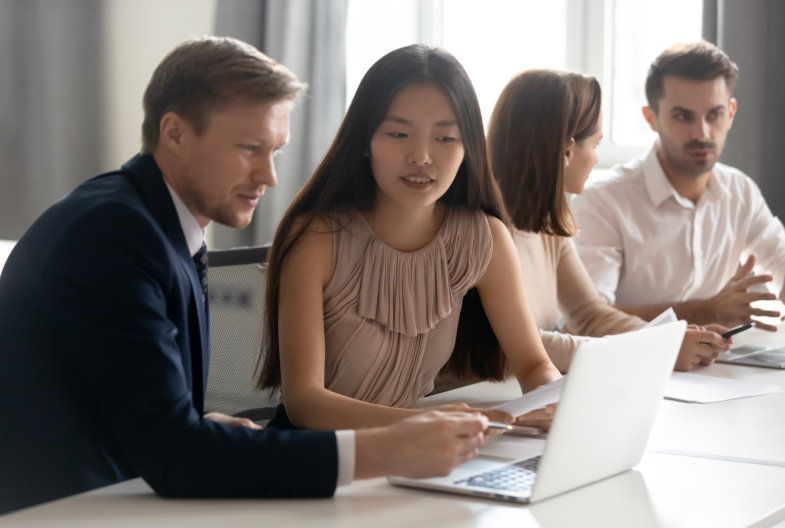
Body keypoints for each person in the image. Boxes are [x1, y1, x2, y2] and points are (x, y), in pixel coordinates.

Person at [0, 36, 492, 515]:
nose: (270, 176)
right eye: (250, 148)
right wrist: (385, 450)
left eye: (275, 151)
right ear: (174, 133)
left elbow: (132, 407)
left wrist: (200, 424)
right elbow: (175, 457)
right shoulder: (112, 238)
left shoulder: (154, 224)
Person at [257, 44, 561, 432]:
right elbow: (304, 403)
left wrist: (549, 401)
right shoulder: (317, 237)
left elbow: (535, 365)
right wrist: (425, 425)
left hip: (412, 461)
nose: (421, 156)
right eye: (398, 133)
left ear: (469, 148)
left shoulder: (483, 239)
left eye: (445, 138)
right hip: (316, 458)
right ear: (365, 141)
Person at [486, 68, 730, 373]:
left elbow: (592, 314)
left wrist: (670, 337)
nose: (597, 159)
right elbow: (518, 345)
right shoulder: (484, 232)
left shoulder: (547, 225)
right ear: (567, 149)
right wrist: (654, 349)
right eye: (596, 144)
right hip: (468, 403)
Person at [571, 40, 785, 331]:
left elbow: (779, 258)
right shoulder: (603, 200)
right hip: (631, 370)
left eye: (714, 114)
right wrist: (706, 311)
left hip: (719, 370)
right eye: (683, 116)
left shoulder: (740, 191)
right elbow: (584, 322)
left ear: (731, 113)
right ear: (651, 118)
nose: (702, 133)